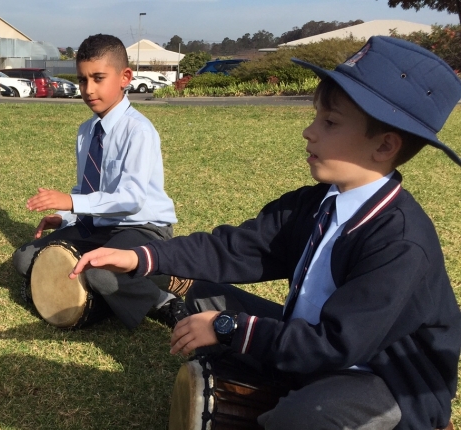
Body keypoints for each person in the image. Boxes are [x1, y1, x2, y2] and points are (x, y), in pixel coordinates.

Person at [71, 36, 461, 429]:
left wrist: (230, 329)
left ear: (384, 146)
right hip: (316, 341)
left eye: (329, 122)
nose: (309, 132)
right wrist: (142, 256)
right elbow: (236, 247)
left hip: (383, 375)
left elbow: (336, 344)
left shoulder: (400, 243)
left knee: (301, 418)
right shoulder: (315, 202)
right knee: (204, 294)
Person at [12, 34, 181, 329]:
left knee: (100, 271)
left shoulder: (138, 131)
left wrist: (71, 201)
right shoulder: (85, 131)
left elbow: (131, 198)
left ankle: (161, 299)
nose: (88, 90)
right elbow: (85, 189)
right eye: (82, 80)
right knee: (26, 259)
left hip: (141, 226)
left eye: (98, 78)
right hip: (97, 226)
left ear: (125, 77)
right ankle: (105, 296)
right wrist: (64, 215)